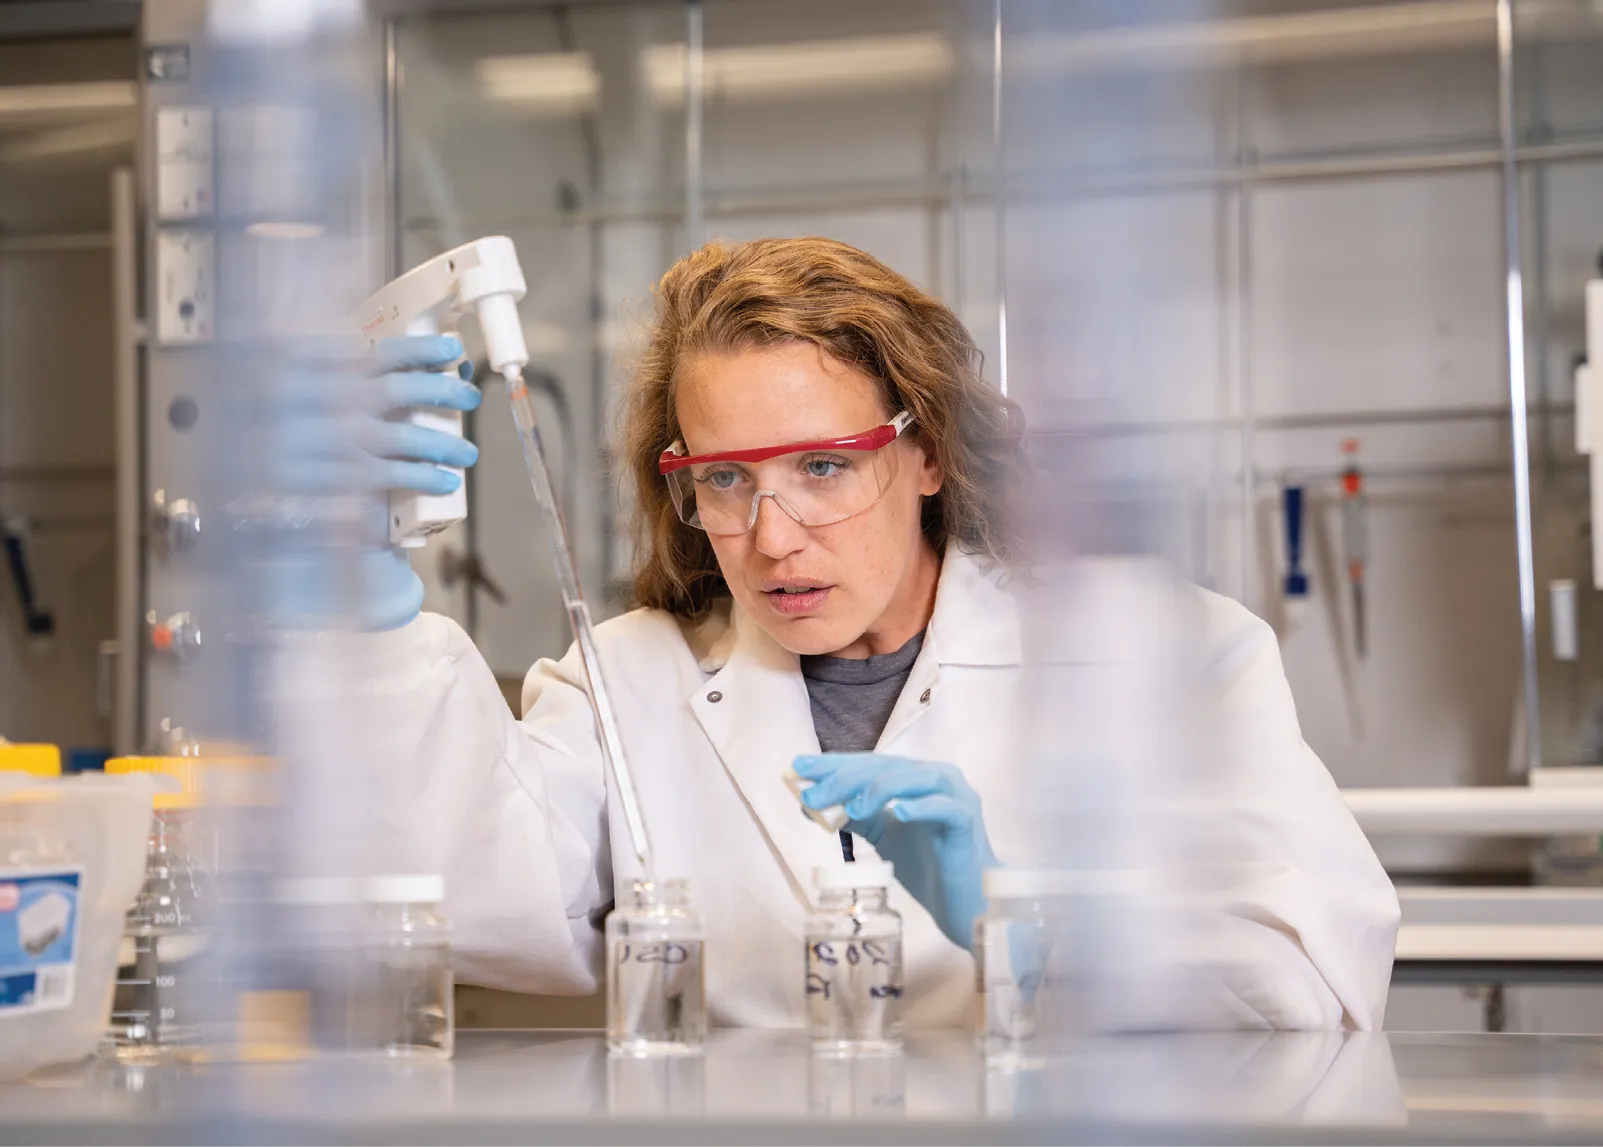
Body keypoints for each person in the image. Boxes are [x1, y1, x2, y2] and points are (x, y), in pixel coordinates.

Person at [342, 237, 1399, 1030]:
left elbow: (1312, 985)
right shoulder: (626, 678)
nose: (769, 536)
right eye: (723, 479)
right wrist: (372, 616)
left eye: (822, 467)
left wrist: (1025, 926)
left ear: (926, 452)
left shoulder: (1166, 655)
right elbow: (474, 906)